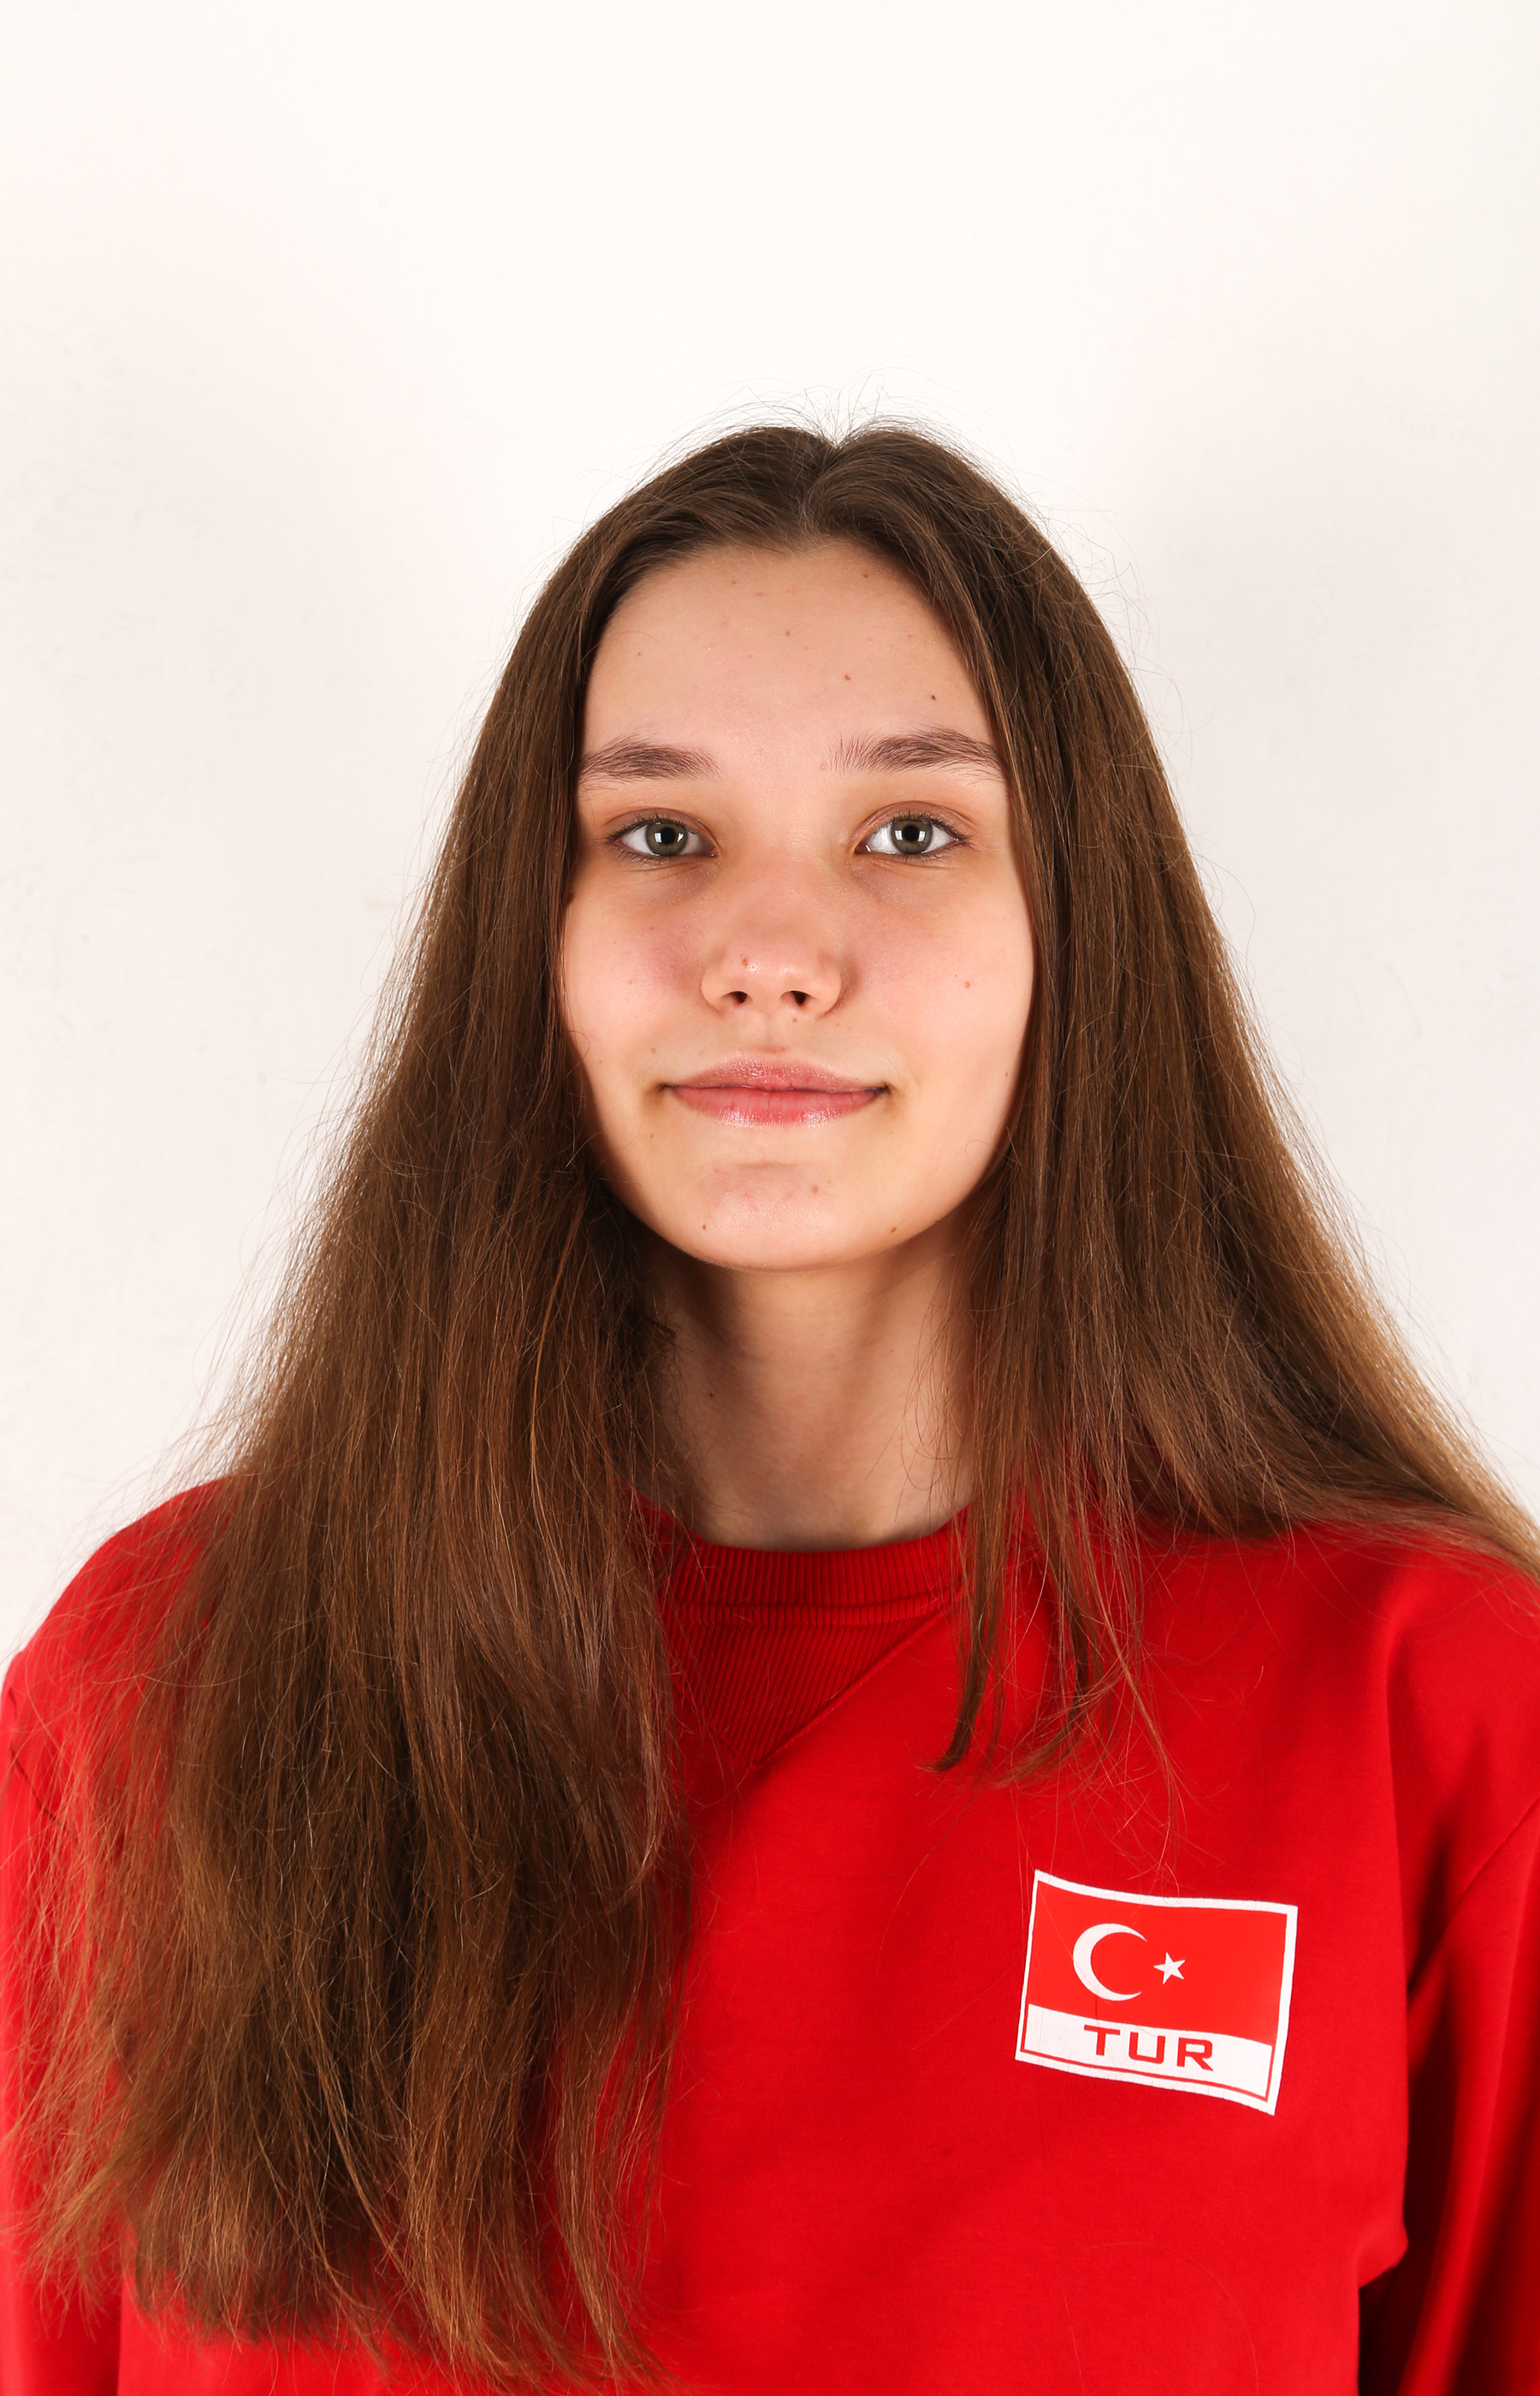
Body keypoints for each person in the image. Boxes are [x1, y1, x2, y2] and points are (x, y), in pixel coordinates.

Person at [3, 424, 1538, 2396]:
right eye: (660, 833)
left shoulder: (1430, 1719)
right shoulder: (164, 1686)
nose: (771, 958)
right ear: (532, 937)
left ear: (1079, 927)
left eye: (910, 831)